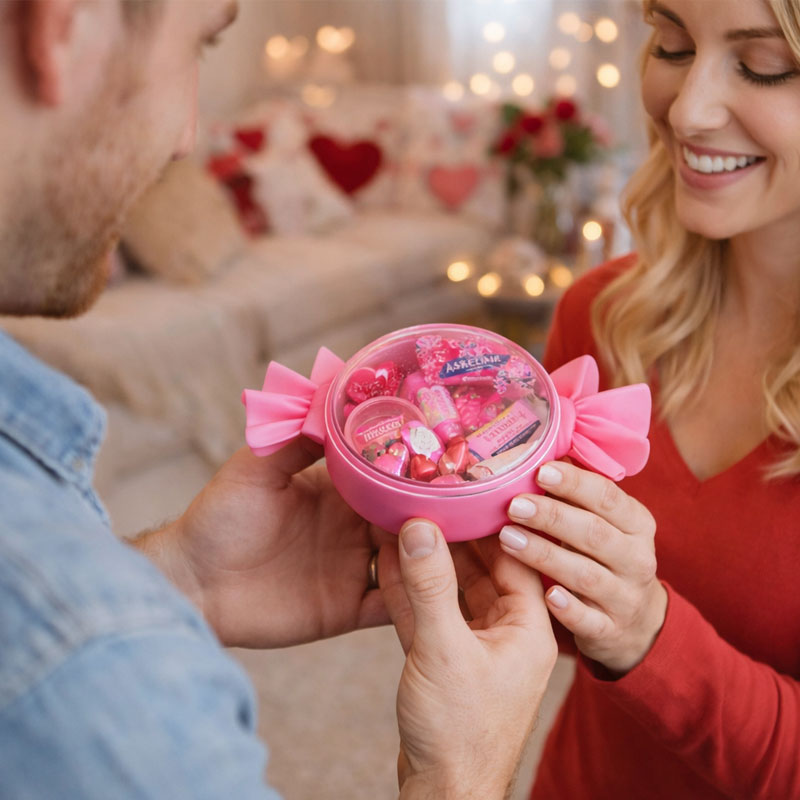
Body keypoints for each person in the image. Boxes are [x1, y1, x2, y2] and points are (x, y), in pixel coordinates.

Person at [0, 1, 558, 798]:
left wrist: (182, 576)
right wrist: (462, 773)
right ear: (63, 26)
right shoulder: (97, 682)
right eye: (200, 45)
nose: (188, 137)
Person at [495, 0, 800, 797]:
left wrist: (648, 635)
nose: (688, 111)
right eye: (672, 44)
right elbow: (560, 623)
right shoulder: (602, 314)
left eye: (764, 65)